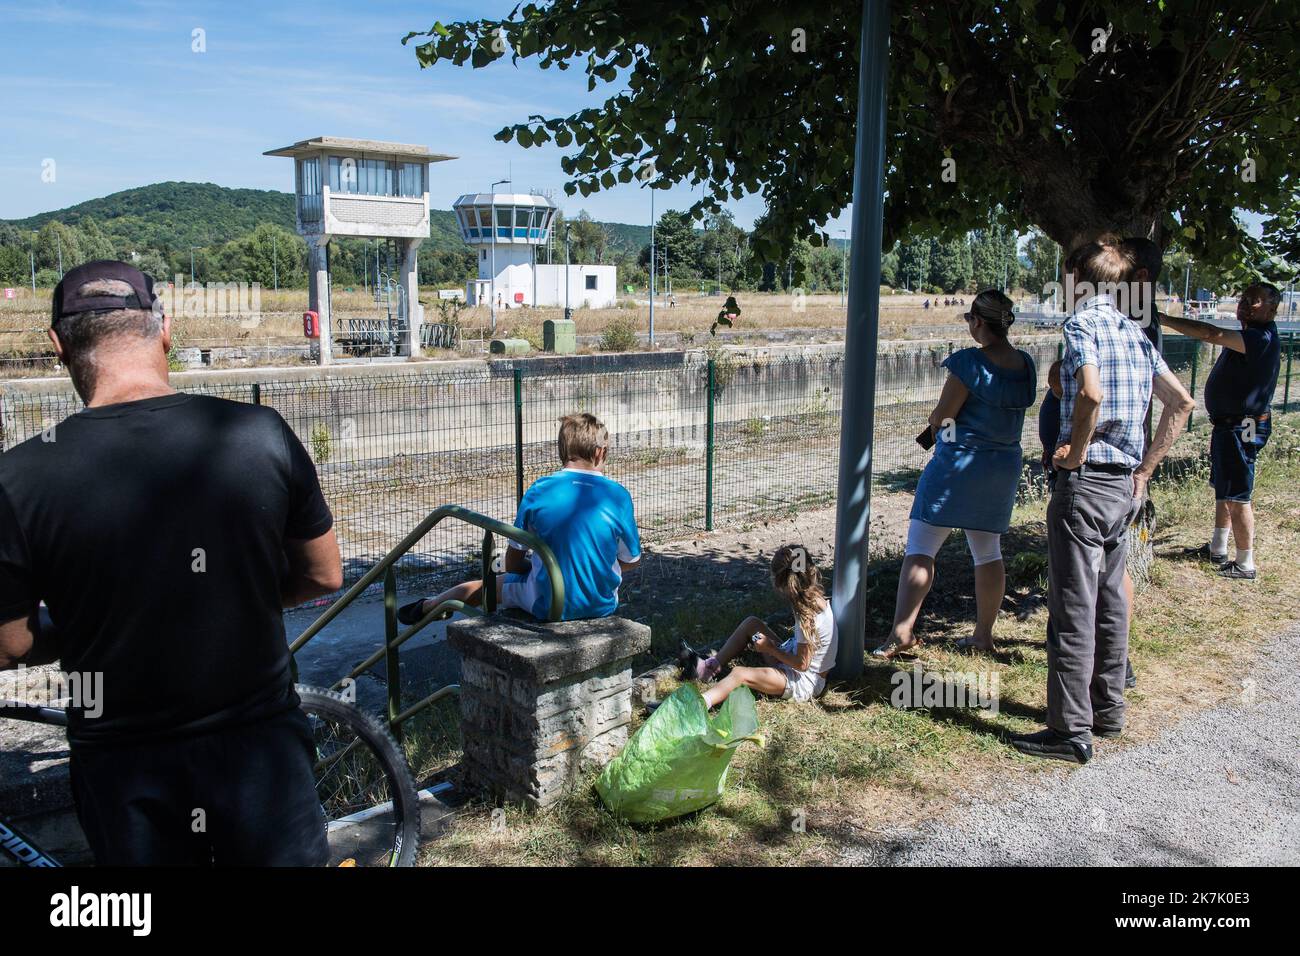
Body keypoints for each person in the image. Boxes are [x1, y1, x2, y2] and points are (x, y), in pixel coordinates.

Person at [0, 261, 342, 865]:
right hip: (258, 748)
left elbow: (11, 644)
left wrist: (93, 624)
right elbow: (323, 575)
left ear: (56, 345)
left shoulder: (16, 478)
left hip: (123, 766)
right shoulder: (258, 433)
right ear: (165, 328)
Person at [1013, 238, 1193, 764]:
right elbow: (1181, 402)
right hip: (1123, 490)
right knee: (1112, 598)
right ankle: (1107, 710)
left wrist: (1075, 451)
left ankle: (1070, 731)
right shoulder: (1135, 335)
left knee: (1072, 605)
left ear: (1076, 278)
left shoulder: (1082, 327)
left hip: (1086, 484)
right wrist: (1145, 469)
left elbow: (1089, 393)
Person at [875, 289, 1037, 658]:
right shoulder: (1025, 365)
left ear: (977, 321)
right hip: (1000, 469)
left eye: (969, 318)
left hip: (957, 469)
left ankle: (901, 631)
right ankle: (983, 635)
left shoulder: (968, 363)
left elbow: (942, 417)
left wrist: (936, 433)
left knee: (921, 547)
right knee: (987, 552)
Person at [398, 413, 640, 623]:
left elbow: (513, 563)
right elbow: (631, 561)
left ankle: (431, 605)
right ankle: (432, 605)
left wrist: (531, 566)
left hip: (548, 604)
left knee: (491, 584)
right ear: (600, 452)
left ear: (562, 450)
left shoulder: (540, 490)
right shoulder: (618, 496)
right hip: (602, 604)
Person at [1162, 283, 1283, 580]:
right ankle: (1218, 548)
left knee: (1238, 492)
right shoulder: (1251, 335)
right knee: (1225, 488)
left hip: (1242, 425)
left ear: (1271, 309)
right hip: (1233, 424)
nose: (1244, 305)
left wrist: (1162, 319)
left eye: (1253, 301)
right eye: (1243, 299)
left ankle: (1245, 563)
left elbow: (1210, 334)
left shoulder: (1260, 337)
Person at [684, 545, 836, 708]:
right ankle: (710, 668)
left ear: (780, 582)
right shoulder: (809, 596)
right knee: (752, 624)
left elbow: (802, 664)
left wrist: (771, 649)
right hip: (793, 660)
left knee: (740, 674)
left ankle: (697, 706)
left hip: (804, 682)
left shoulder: (807, 615)